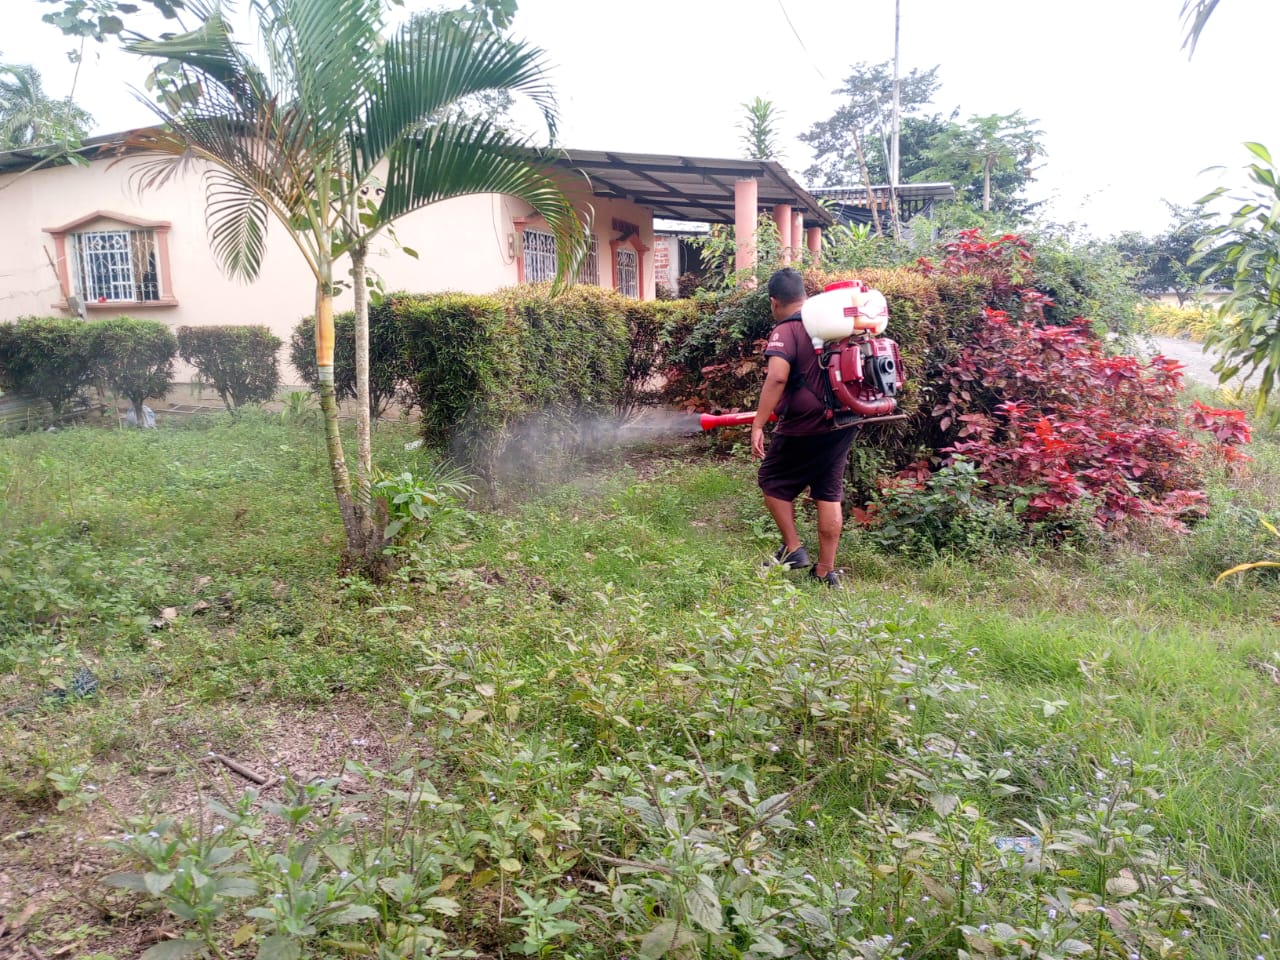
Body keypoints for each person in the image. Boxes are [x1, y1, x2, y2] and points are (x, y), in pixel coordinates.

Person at [751, 267, 855, 587]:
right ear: (804, 295)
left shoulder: (787, 329)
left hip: (806, 424)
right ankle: (825, 572)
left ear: (774, 302)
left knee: (771, 480)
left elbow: (777, 377)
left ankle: (794, 549)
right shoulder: (832, 322)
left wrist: (758, 423)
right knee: (828, 490)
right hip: (846, 418)